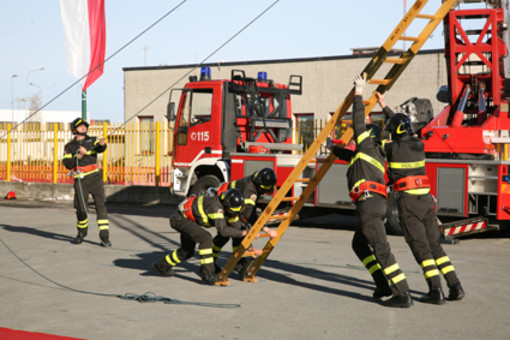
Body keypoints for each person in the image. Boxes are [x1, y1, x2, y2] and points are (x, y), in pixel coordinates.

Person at [327, 74, 413, 308]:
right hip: (374, 204)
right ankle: (382, 284)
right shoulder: (368, 155)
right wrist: (333, 148)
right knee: (359, 244)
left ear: (368, 137)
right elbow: (349, 155)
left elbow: (357, 122)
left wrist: (358, 91)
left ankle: (402, 293)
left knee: (382, 249)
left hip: (369, 204)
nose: (356, 138)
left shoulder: (367, 146)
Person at [377, 92, 465, 304]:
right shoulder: (419, 145)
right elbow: (401, 125)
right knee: (435, 245)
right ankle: (455, 285)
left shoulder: (391, 149)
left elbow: (375, 148)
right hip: (426, 201)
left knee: (420, 247)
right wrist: (385, 106)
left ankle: (435, 291)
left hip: (408, 203)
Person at [151, 188, 248, 285]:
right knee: (205, 238)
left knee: (187, 251)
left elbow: (236, 227)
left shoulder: (227, 207)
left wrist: (246, 235)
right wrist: (243, 233)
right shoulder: (215, 207)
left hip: (187, 219)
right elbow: (223, 231)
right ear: (226, 205)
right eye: (232, 212)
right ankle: (207, 274)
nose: (233, 214)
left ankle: (162, 265)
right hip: (179, 219)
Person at [211, 168, 278, 279]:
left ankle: (238, 263)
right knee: (226, 234)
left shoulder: (255, 181)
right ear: (261, 186)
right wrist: (266, 229)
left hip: (231, 205)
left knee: (237, 232)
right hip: (223, 205)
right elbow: (249, 214)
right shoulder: (249, 190)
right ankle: (211, 263)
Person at [63, 118, 111, 247]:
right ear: (74, 130)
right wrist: (78, 156)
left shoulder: (92, 140)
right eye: (81, 126)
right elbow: (67, 164)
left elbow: (101, 148)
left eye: (85, 126)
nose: (84, 127)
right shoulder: (69, 146)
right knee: (82, 209)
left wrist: (102, 144)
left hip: (95, 178)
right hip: (80, 180)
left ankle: (105, 237)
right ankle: (82, 232)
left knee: (101, 207)